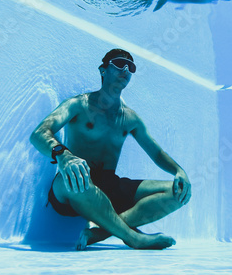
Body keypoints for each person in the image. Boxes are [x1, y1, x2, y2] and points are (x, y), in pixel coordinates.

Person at [30, 49, 191, 250]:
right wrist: (64, 157)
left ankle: (101, 233)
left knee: (179, 192)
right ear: (103, 70)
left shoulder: (130, 118)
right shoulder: (77, 105)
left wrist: (179, 171)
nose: (125, 69)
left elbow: (157, 153)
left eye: (130, 67)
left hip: (110, 187)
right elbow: (39, 134)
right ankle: (134, 238)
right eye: (119, 63)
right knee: (69, 180)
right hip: (76, 182)